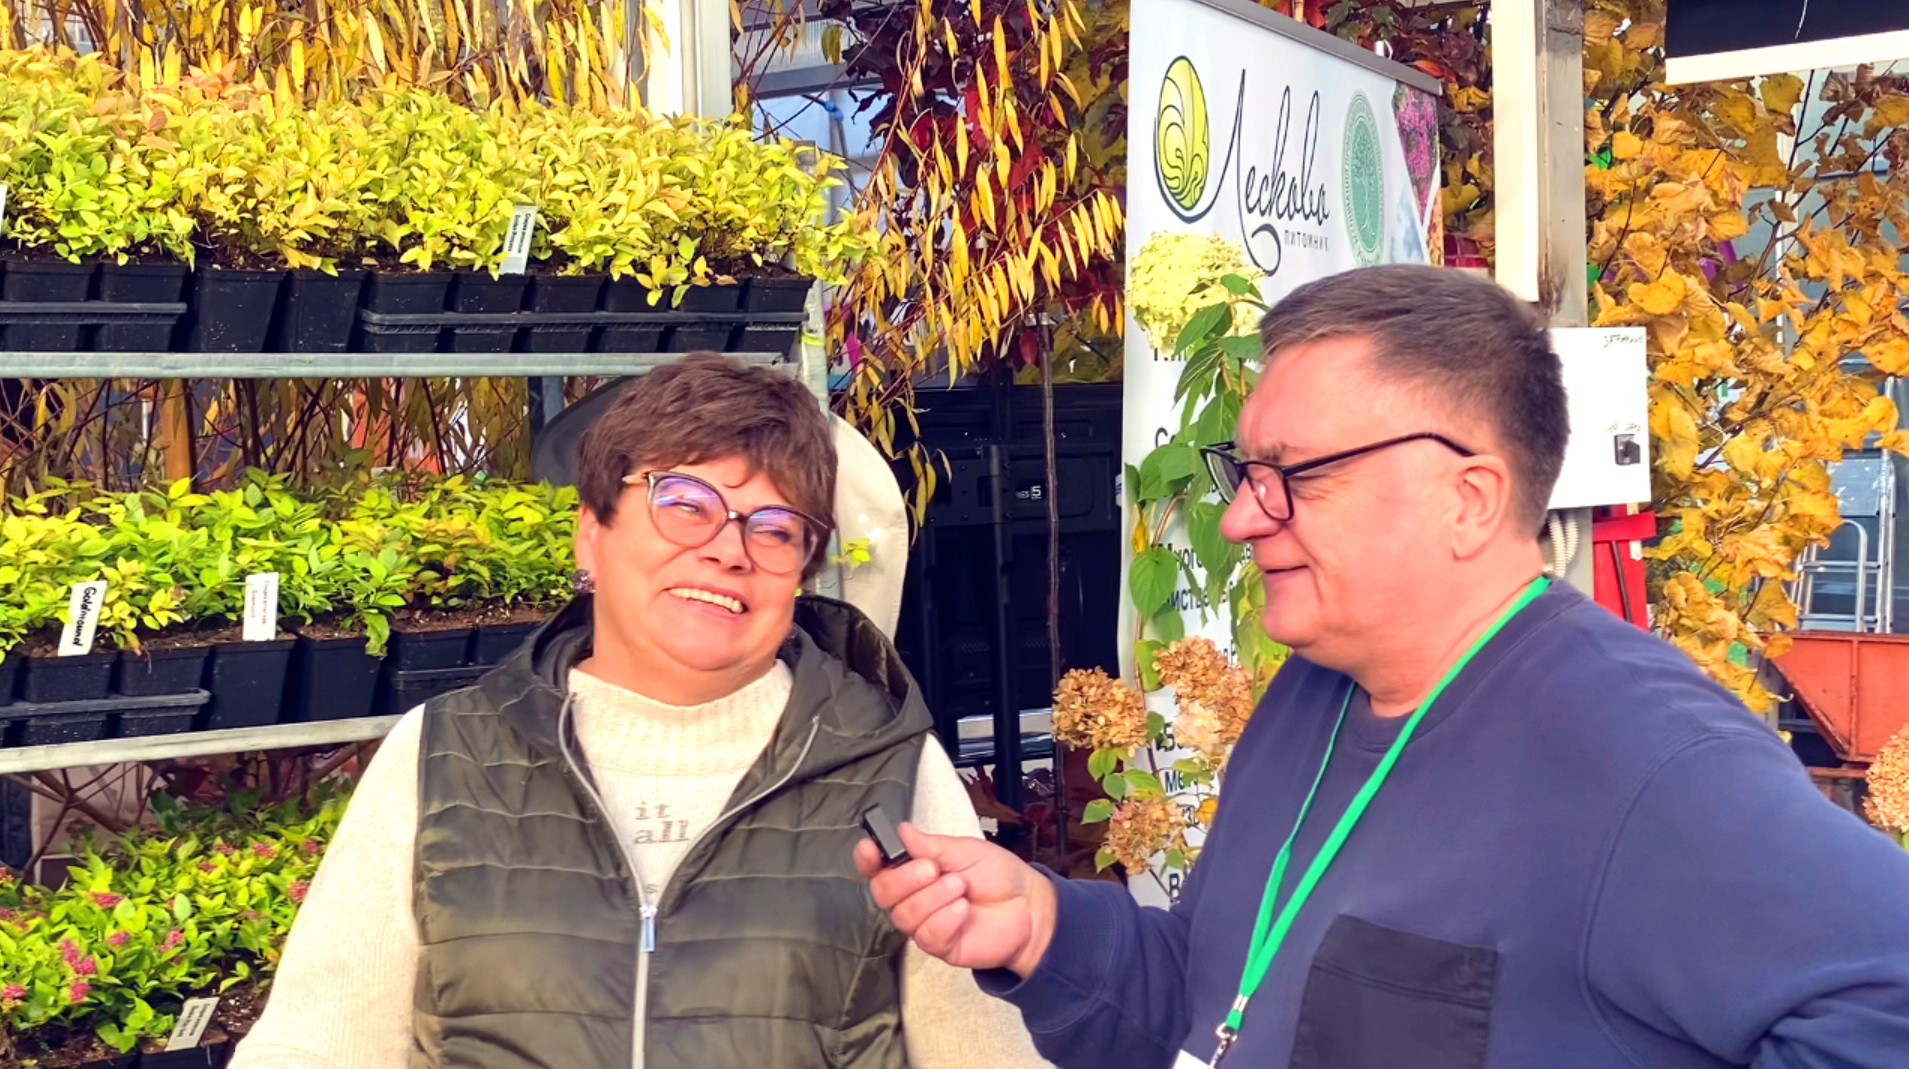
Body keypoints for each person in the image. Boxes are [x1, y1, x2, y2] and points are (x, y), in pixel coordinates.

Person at [860, 265, 1909, 1069]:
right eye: (1245, 472)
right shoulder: (1310, 696)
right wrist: (1042, 926)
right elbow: (1219, 996)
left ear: (1467, 499)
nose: (1240, 518)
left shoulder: (1641, 752)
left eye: (1294, 476)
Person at [234, 353, 1052, 1069]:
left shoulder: (887, 768)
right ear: (592, 533)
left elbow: (985, 1052)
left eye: (775, 529)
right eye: (685, 503)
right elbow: (316, 1042)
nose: (728, 548)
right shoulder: (445, 754)